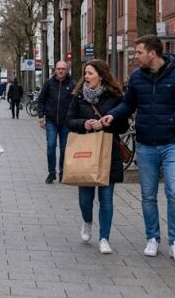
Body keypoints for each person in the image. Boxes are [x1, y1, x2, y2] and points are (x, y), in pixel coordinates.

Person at [101, 35, 175, 262]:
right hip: (146, 145)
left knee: (174, 192)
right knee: (148, 196)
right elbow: (128, 104)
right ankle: (153, 238)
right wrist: (112, 115)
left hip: (173, 144)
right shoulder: (138, 77)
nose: (135, 56)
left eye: (138, 52)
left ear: (152, 53)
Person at [66, 59, 129, 254]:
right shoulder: (78, 96)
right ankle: (87, 220)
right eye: (85, 73)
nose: (86, 77)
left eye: (90, 73)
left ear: (101, 76)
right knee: (85, 199)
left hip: (107, 152)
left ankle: (104, 238)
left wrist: (107, 123)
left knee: (106, 198)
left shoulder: (115, 96)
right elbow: (69, 120)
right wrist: (84, 123)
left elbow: (124, 126)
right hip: (85, 152)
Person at [37, 61, 76, 184]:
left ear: (67, 70)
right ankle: (51, 173)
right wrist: (41, 117)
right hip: (51, 121)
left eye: (63, 69)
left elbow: (76, 103)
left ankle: (63, 172)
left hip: (66, 122)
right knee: (51, 146)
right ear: (55, 69)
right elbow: (41, 100)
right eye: (58, 68)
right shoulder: (49, 83)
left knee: (64, 148)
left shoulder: (72, 84)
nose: (60, 71)